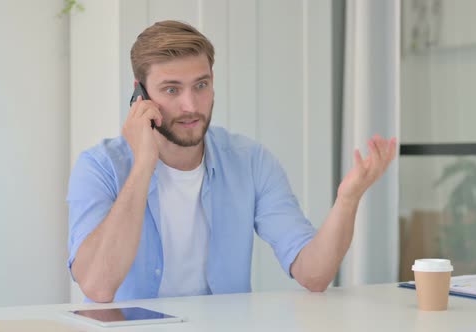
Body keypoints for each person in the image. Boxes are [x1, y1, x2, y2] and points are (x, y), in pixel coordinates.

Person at [67, 20, 397, 303]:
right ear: (140, 96)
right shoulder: (99, 167)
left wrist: (348, 199)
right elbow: (97, 286)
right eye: (171, 90)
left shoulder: (249, 161)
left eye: (201, 85)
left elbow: (314, 275)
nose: (190, 105)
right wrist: (143, 164)